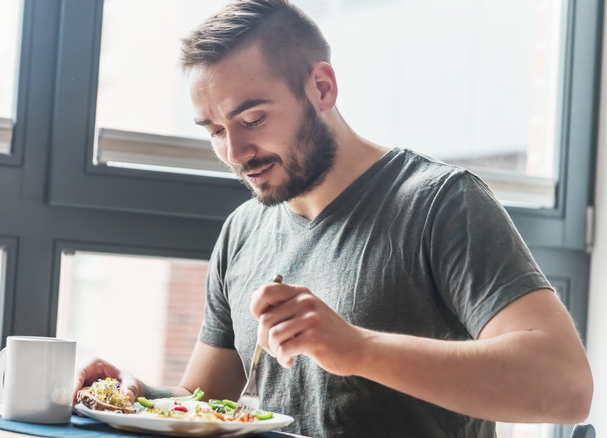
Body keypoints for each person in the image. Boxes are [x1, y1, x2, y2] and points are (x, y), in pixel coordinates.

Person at [74, 1, 594, 436]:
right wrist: (138, 397)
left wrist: (357, 348)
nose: (235, 152)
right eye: (214, 130)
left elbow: (565, 387)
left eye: (252, 118)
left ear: (322, 88)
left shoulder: (442, 203)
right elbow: (204, 402)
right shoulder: (242, 231)